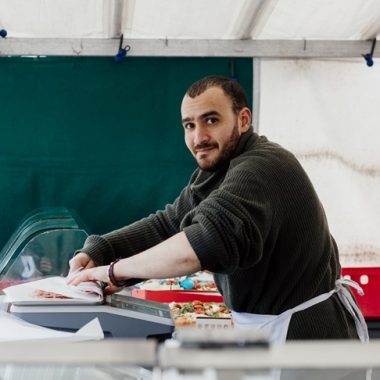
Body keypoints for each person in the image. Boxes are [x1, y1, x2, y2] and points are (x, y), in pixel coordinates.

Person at [68, 75, 368, 343]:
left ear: (243, 119)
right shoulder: (216, 173)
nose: (199, 138)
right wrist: (100, 249)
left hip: (307, 340)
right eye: (189, 125)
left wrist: (114, 272)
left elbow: (203, 243)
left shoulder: (261, 166)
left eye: (211, 120)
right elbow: (169, 225)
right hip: (269, 330)